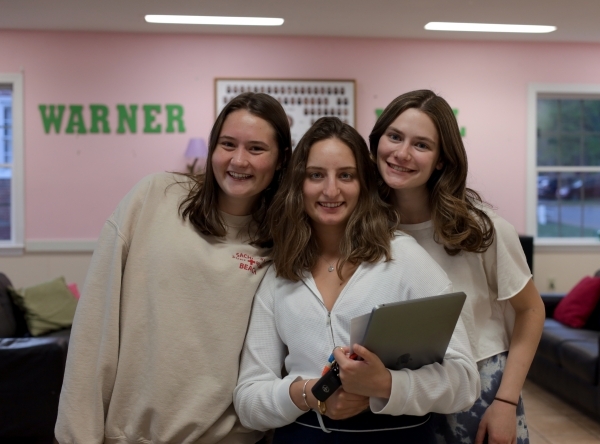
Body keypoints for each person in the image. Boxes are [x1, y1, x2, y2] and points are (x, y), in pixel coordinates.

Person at [55, 92, 292, 444]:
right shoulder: (155, 197)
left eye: (256, 149)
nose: (238, 160)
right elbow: (94, 328)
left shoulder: (284, 242)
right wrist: (77, 435)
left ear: (279, 161)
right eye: (228, 144)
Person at [233, 117, 480, 443]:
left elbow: (464, 382)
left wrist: (383, 385)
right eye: (316, 175)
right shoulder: (281, 271)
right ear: (298, 185)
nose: (331, 190)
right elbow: (249, 400)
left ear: (364, 183)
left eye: (346, 175)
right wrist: (310, 393)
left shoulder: (405, 259)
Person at [369, 89, 545, 444]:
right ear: (376, 142)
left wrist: (506, 402)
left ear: (441, 160)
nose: (402, 153)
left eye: (421, 145)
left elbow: (531, 310)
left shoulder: (482, 229)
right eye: (394, 137)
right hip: (397, 390)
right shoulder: (366, 229)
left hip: (480, 389)